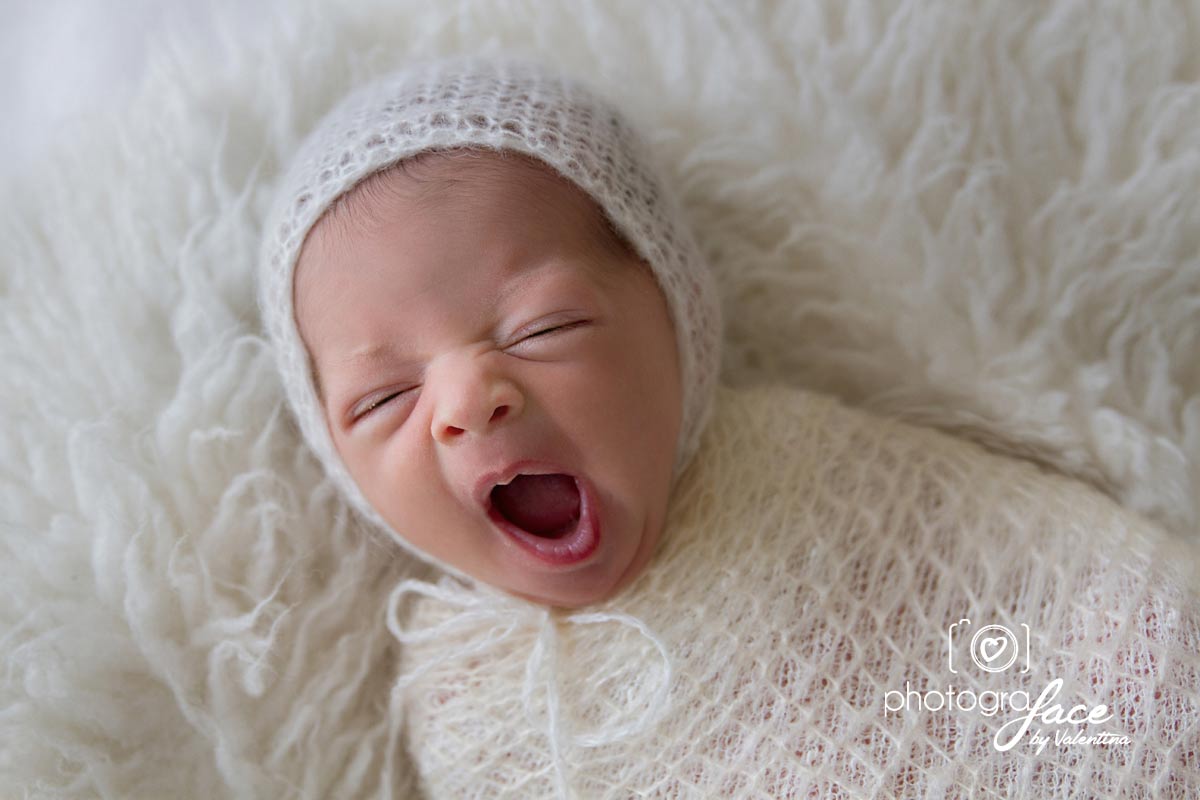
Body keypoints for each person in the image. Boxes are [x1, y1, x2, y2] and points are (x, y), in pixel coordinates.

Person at [259, 53, 1200, 799]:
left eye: (543, 328)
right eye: (383, 399)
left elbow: (1096, 623)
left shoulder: (815, 473)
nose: (468, 402)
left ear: (676, 309)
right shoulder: (458, 705)